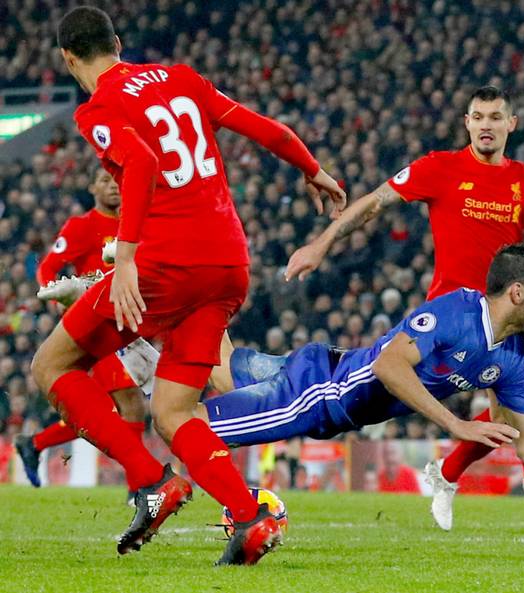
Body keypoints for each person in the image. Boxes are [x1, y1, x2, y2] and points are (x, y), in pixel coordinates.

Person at [31, 6, 345, 564]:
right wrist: (311, 167)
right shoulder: (182, 78)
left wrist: (124, 261)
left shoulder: (99, 106)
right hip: (228, 263)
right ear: (119, 42)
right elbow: (268, 128)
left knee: (51, 366)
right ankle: (249, 517)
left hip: (166, 266)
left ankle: (152, 482)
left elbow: (144, 163)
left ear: (68, 59)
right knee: (174, 411)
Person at [285, 85, 524, 528]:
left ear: (511, 124)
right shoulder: (440, 167)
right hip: (451, 313)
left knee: (520, 392)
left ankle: (508, 478)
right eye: (478, 117)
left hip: (502, 314)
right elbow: (376, 200)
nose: (486, 125)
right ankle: (456, 472)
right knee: (395, 393)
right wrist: (321, 244)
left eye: (495, 117)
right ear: (467, 123)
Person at [200, 245, 524, 510]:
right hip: (319, 394)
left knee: (224, 372)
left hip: (330, 367)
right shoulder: (456, 313)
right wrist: (454, 424)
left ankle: (193, 297)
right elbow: (389, 365)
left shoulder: (513, 359)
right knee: (190, 426)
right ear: (518, 293)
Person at [15, 169, 145, 503]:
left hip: (127, 324)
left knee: (105, 409)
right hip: (96, 325)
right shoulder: (82, 226)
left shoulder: (133, 224)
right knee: (129, 403)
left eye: (118, 179)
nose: (114, 185)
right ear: (91, 188)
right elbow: (48, 268)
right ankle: (139, 486)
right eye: (105, 180)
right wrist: (62, 302)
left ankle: (34, 444)